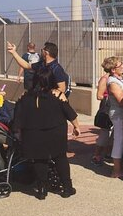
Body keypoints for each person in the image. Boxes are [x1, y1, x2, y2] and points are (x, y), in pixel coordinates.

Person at [13, 68, 81, 199]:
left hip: (33, 134)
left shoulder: (25, 97)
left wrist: (18, 132)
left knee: (39, 160)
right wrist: (76, 126)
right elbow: (69, 113)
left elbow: (18, 117)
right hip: (55, 132)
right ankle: (67, 187)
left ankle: (42, 189)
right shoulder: (57, 95)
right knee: (60, 158)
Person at [103, 56, 123, 178]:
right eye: (120, 66)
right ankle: (116, 170)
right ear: (113, 70)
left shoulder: (122, 78)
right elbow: (121, 101)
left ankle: (119, 167)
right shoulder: (112, 82)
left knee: (122, 139)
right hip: (118, 114)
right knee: (119, 140)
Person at [91, 66, 112, 166]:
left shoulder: (116, 78)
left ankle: (108, 153)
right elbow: (99, 95)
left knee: (112, 134)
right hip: (106, 109)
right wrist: (111, 95)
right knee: (104, 133)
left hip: (114, 109)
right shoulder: (105, 79)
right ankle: (96, 155)